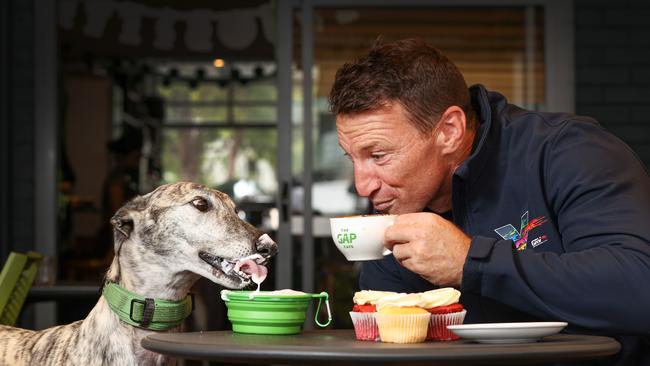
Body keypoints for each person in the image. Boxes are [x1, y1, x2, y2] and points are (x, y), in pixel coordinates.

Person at [329, 38, 650, 365]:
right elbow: (392, 348)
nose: (362, 185)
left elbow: (639, 288)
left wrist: (471, 262)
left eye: (378, 155)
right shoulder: (395, 201)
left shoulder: (568, 152)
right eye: (352, 158)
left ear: (450, 131)